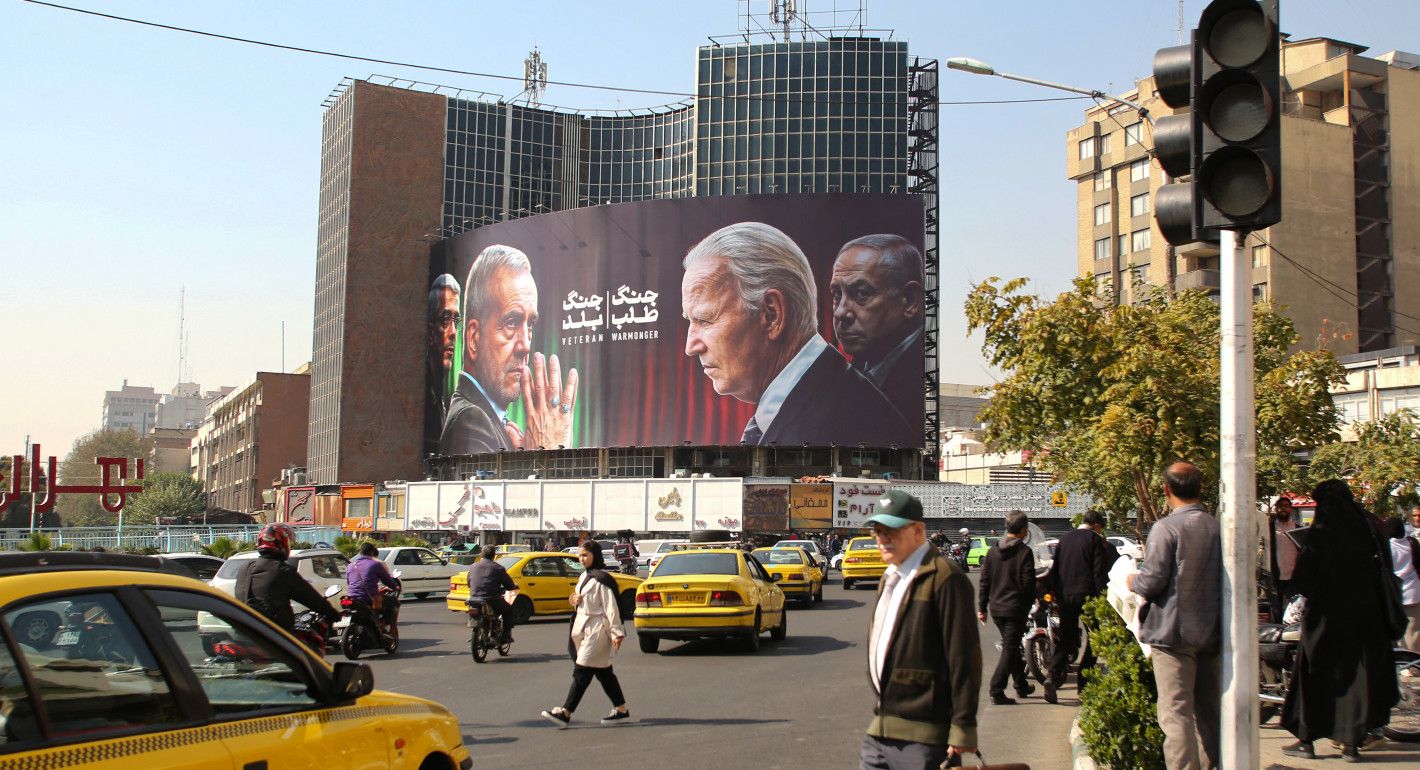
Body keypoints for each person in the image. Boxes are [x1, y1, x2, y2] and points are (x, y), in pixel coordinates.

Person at [680, 222, 915, 447]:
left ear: (771, 315)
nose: (690, 346)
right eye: (690, 321)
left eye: (704, 320)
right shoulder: (826, 396)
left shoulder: (843, 421)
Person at [1279, 479, 1401, 761]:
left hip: (1326, 618)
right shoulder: (1368, 529)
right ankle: (1351, 744)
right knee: (1359, 681)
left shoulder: (1322, 532)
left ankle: (1307, 741)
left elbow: (1304, 579)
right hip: (1367, 619)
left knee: (1314, 676)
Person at [861, 490, 980, 769]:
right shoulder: (890, 577)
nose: (882, 539)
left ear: (918, 531)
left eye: (891, 530)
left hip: (924, 737)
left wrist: (963, 726)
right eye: (877, 531)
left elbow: (964, 657)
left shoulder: (945, 577)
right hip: (880, 730)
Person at [440, 244, 579, 454]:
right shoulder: (470, 422)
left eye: (530, 324)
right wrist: (549, 452)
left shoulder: (489, 419)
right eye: (512, 323)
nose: (525, 345)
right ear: (473, 338)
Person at [1128, 462, 1221, 770]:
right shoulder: (1216, 525)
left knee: (1175, 713)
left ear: (1165, 490)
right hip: (1212, 631)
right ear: (1200, 488)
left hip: (1173, 634)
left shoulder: (1165, 528)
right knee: (1210, 713)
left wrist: (1132, 580)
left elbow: (1151, 581)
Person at [830, 234, 926, 412]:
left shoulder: (920, 385)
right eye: (837, 295)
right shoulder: (852, 374)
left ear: (910, 300)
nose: (840, 312)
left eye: (861, 294)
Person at [541, 541, 631, 727]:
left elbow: (611, 608)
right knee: (604, 673)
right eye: (580, 556)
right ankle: (621, 709)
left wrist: (616, 633)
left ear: (594, 556)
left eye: (585, 555)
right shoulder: (584, 576)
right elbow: (576, 598)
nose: (582, 559)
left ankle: (566, 712)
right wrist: (574, 599)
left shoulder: (603, 580)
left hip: (598, 630)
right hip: (583, 627)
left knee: (582, 670)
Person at [1044, 509, 1113, 703]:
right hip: (1088, 597)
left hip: (1065, 597)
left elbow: (1054, 570)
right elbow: (1099, 573)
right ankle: (1084, 682)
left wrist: (1055, 594)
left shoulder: (1064, 539)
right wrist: (1102, 599)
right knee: (1095, 640)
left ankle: (1051, 674)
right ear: (1097, 526)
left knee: (1066, 638)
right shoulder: (1095, 540)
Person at [234, 523, 339, 635]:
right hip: (275, 636)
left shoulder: (246, 567)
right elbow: (310, 598)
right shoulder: (283, 571)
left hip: (245, 631)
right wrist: (332, 613)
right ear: (283, 543)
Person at [976, 510, 1037, 705]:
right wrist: (1028, 605)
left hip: (996, 608)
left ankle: (1021, 685)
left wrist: (982, 607)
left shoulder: (992, 551)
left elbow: (984, 581)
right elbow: (1028, 584)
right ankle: (996, 689)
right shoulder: (1024, 552)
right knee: (1010, 647)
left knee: (1012, 646)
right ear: (1024, 530)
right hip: (1015, 608)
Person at [426, 273, 462, 447]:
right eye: (446, 319)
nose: (454, 332)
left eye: (457, 320)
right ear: (430, 331)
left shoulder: (440, 393)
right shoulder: (422, 398)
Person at [346, 542, 402, 636]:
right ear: (372, 552)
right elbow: (387, 579)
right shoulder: (375, 564)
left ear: (360, 552)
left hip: (352, 597)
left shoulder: (350, 565)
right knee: (394, 601)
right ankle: (383, 625)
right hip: (368, 598)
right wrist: (395, 587)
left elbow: (349, 582)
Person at [467, 544, 517, 643]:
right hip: (492, 599)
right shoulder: (498, 568)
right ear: (494, 555)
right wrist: (513, 587)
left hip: (474, 599)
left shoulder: (473, 566)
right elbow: (509, 585)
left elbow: (469, 583)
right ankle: (506, 635)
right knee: (509, 609)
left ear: (481, 554)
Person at [1387, 516, 1420, 652]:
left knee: (1399, 631)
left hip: (1395, 593)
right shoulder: (1412, 543)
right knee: (1414, 630)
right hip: (1414, 592)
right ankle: (1414, 664)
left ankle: (1405, 662)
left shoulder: (1388, 547)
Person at [1266, 496, 1302, 622]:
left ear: (1290, 509)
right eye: (1280, 506)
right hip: (1275, 576)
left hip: (1292, 576)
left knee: (1290, 608)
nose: (1283, 509)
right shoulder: (1269, 528)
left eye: (1286, 506)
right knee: (1276, 608)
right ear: (1276, 508)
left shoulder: (1298, 528)